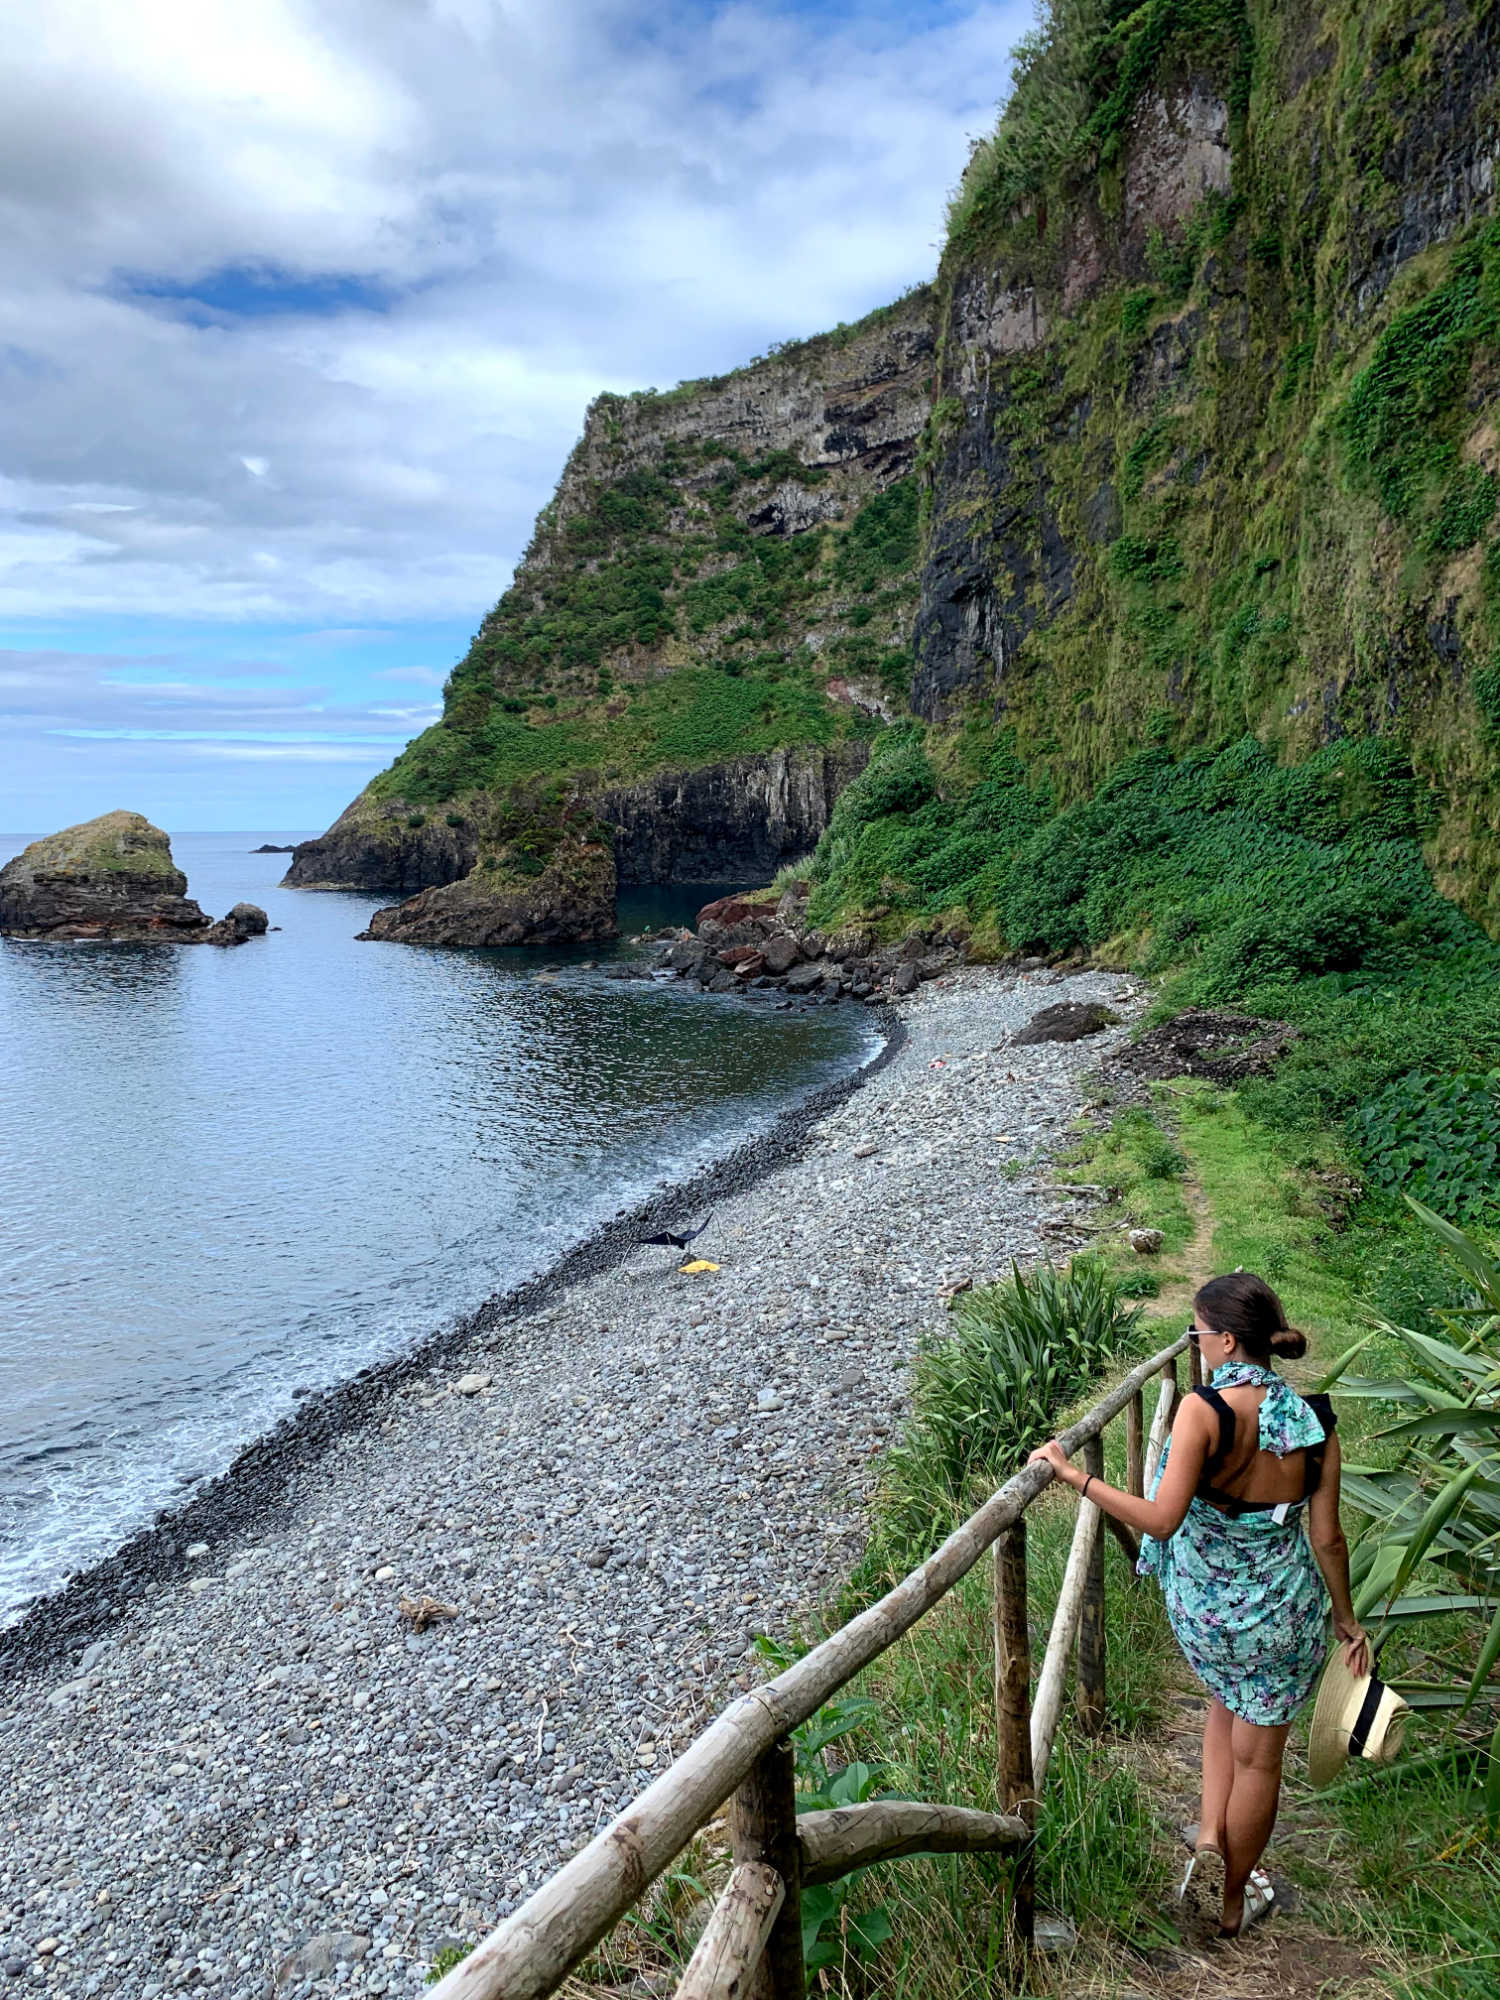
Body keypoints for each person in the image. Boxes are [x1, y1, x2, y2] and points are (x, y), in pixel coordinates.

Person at [1027, 1272, 1369, 1938]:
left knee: (1222, 1700)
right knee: (1260, 1757)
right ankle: (1231, 1884)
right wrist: (1346, 1618)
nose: (1198, 1345)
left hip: (1210, 1612)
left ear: (1228, 1339)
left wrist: (1077, 1478)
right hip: (1284, 1612)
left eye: (1200, 1334)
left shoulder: (1202, 1411)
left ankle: (1220, 1868)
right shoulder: (1317, 1422)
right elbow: (1327, 1537)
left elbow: (1160, 1520)